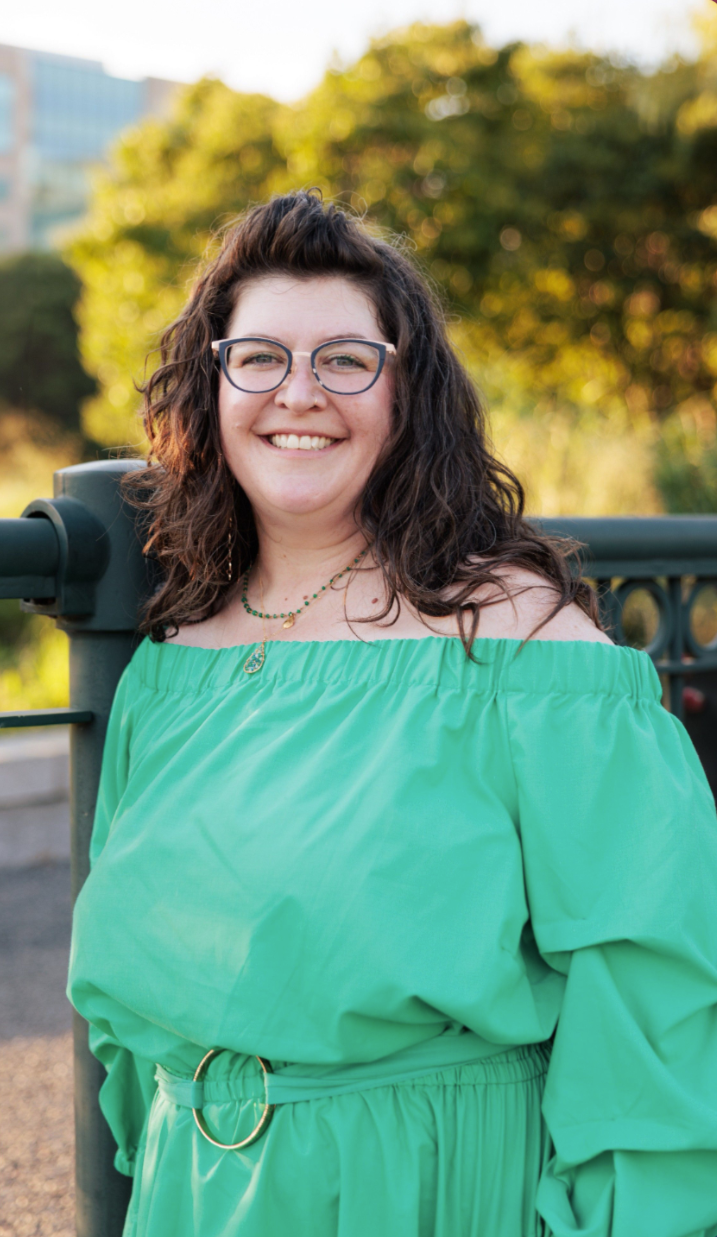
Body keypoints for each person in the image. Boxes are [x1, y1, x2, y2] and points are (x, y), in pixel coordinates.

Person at [67, 191, 717, 1237]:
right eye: (261, 358)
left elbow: (655, 981)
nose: (300, 393)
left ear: (405, 391)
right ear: (214, 387)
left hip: (428, 1187)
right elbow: (129, 1024)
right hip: (198, 1196)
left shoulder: (522, 645)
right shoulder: (168, 667)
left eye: (346, 360)